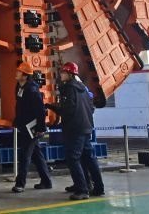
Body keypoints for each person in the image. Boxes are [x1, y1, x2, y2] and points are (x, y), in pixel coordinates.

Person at [48, 62, 104, 200]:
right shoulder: (83, 88)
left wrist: (51, 107)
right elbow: (91, 108)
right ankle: (98, 187)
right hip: (86, 127)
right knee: (89, 158)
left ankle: (82, 190)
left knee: (73, 158)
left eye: (63, 72)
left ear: (69, 74)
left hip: (74, 129)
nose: (61, 75)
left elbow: (67, 110)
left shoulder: (68, 88)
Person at [12, 62, 52, 192]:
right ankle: (46, 181)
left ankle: (20, 184)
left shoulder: (32, 90)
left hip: (32, 129)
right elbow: (20, 106)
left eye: (19, 71)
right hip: (25, 127)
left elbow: (40, 110)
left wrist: (40, 128)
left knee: (25, 155)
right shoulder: (19, 87)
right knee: (37, 155)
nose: (16, 73)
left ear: (25, 75)